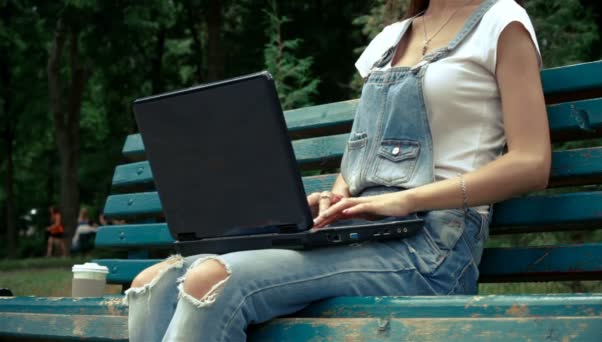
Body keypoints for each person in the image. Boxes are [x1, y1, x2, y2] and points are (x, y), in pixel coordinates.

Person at [125, 0, 551, 340]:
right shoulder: (389, 39)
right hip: (362, 233)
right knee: (153, 283)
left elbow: (532, 164)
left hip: (434, 248)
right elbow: (360, 158)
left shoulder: (502, 21)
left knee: (212, 283)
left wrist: (403, 200)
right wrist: (335, 200)